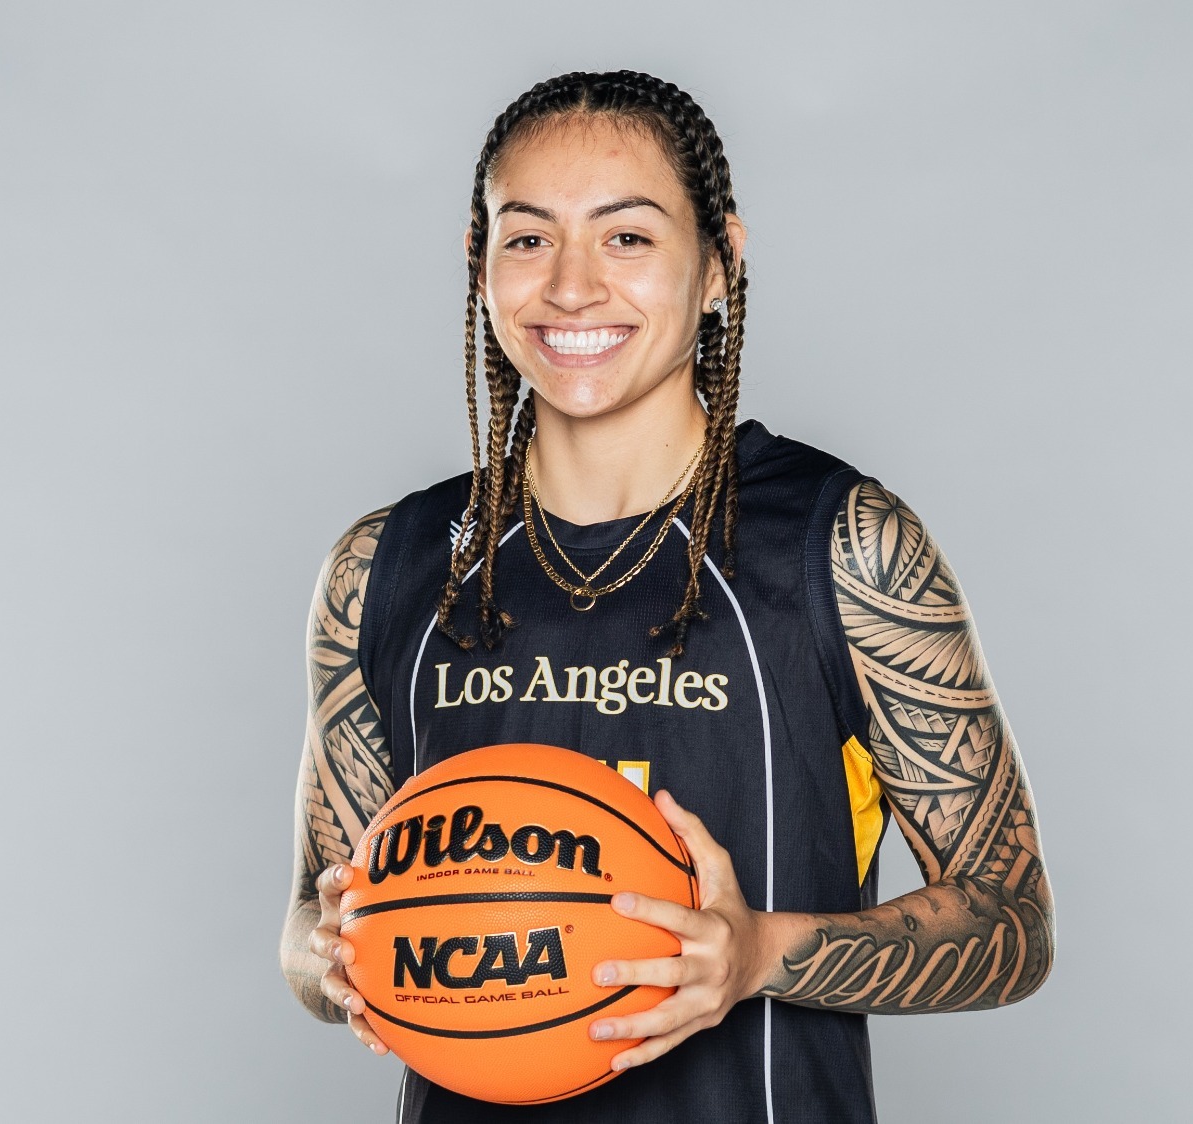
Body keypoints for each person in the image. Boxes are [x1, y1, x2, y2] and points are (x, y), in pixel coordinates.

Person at [278, 70, 1055, 1122]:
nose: (570, 287)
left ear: (718, 265)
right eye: (526, 237)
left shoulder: (843, 546)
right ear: (479, 264)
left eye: (627, 237)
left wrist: (758, 953)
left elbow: (1009, 922)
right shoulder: (388, 564)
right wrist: (334, 954)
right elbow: (307, 925)